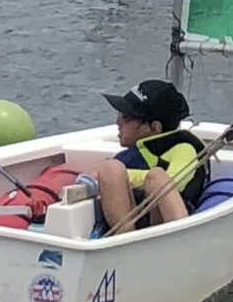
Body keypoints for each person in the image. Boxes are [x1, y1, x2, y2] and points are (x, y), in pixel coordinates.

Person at [81, 80, 212, 234]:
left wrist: (129, 176)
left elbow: (174, 183)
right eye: (119, 115)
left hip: (167, 226)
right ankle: (126, 245)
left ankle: (180, 244)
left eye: (127, 117)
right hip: (133, 227)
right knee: (110, 169)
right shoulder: (126, 157)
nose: (118, 122)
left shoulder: (184, 148)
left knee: (157, 178)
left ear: (155, 127)